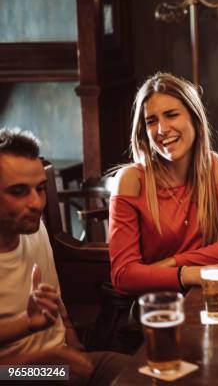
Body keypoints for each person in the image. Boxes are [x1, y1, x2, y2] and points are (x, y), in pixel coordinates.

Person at [0, 128, 130, 385]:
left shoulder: (33, 229)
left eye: (40, 189)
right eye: (18, 191)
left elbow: (57, 307)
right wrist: (42, 364)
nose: (37, 203)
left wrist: (74, 347)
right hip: (20, 375)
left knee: (155, 374)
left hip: (64, 365)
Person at [109, 73, 218, 295]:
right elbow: (123, 276)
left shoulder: (214, 166)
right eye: (152, 121)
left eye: (171, 115)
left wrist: (171, 263)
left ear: (194, 118)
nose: (162, 130)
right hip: (157, 305)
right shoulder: (130, 180)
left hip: (210, 294)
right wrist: (191, 273)